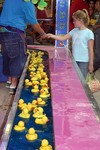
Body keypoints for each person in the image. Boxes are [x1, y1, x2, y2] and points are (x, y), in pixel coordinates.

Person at [0, 0, 47, 94]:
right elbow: (34, 23)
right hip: (15, 32)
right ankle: (14, 85)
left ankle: (9, 81)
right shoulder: (27, 3)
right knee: (18, 58)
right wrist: (43, 34)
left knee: (8, 56)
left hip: (3, 31)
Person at [47, 9, 94, 79]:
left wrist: (91, 64)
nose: (73, 22)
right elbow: (63, 38)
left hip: (83, 61)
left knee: (82, 80)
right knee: (74, 78)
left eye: (75, 20)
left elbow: (91, 50)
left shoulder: (89, 33)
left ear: (80, 21)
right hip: (74, 59)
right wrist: (51, 35)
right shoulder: (74, 31)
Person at [92, 0, 100, 72]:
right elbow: (92, 21)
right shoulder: (95, 13)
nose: (95, 5)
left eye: (97, 4)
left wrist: (97, 26)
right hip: (95, 33)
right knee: (95, 51)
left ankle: (92, 69)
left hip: (98, 33)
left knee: (97, 53)